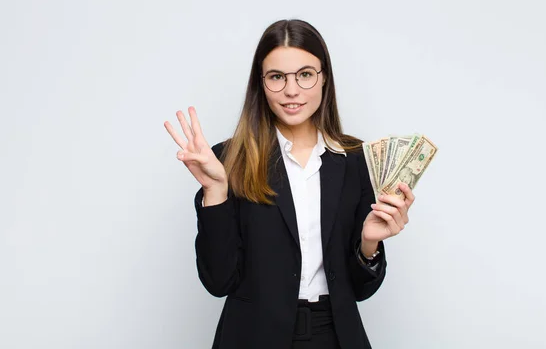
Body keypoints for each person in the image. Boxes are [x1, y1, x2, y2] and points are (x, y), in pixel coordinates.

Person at [164, 19, 415, 349]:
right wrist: (215, 192)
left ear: (324, 78)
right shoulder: (228, 160)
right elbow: (218, 281)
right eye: (277, 77)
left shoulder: (355, 159)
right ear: (261, 83)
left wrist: (368, 245)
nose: (292, 90)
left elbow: (360, 290)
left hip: (335, 335)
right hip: (253, 337)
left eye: (305, 74)